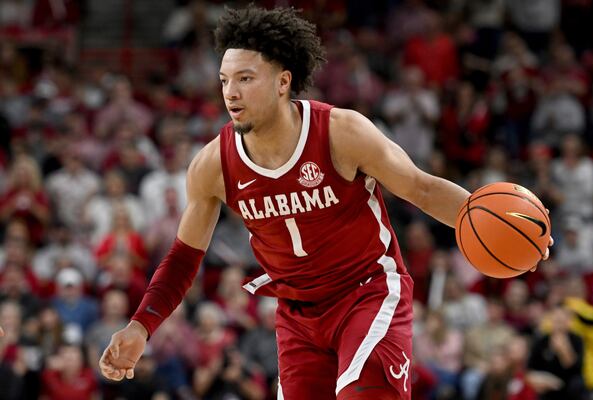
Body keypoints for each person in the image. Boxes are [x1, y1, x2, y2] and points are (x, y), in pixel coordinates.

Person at [99, 6, 551, 399]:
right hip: (296, 315)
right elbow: (183, 257)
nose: (230, 92)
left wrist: (509, 233)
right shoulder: (212, 164)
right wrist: (141, 326)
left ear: (282, 81)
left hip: (367, 292)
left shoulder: (341, 132)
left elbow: (422, 187)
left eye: (245, 78)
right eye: (224, 80)